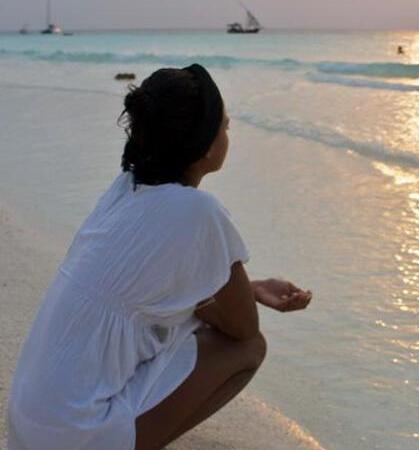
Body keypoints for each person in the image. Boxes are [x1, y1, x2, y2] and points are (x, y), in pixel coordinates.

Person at [5, 64, 312, 450]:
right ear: (204, 146)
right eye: (226, 127)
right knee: (248, 350)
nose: (229, 133)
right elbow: (243, 330)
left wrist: (248, 288)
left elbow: (157, 292)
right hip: (73, 436)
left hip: (28, 422)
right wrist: (244, 297)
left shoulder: (125, 189)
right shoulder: (200, 213)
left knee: (181, 327)